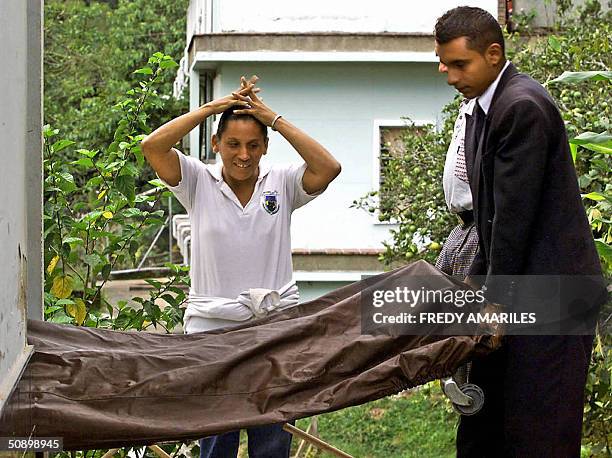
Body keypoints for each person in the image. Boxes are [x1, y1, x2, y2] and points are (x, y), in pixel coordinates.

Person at [434, 6, 606, 457]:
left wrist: (492, 300)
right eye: (443, 63)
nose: (448, 75)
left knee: (538, 428)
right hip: (517, 287)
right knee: (484, 422)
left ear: (493, 54)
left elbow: (512, 219)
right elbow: (489, 222)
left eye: (458, 64)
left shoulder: (520, 107)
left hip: (552, 292)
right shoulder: (482, 109)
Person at [141, 76, 341, 458]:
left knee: (271, 442)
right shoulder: (197, 180)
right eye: (232, 144)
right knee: (216, 442)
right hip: (211, 334)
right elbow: (153, 146)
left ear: (266, 147)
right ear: (216, 144)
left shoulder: (281, 182)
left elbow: (328, 167)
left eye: (253, 145)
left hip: (274, 329)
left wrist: (274, 118)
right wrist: (210, 110)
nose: (243, 155)